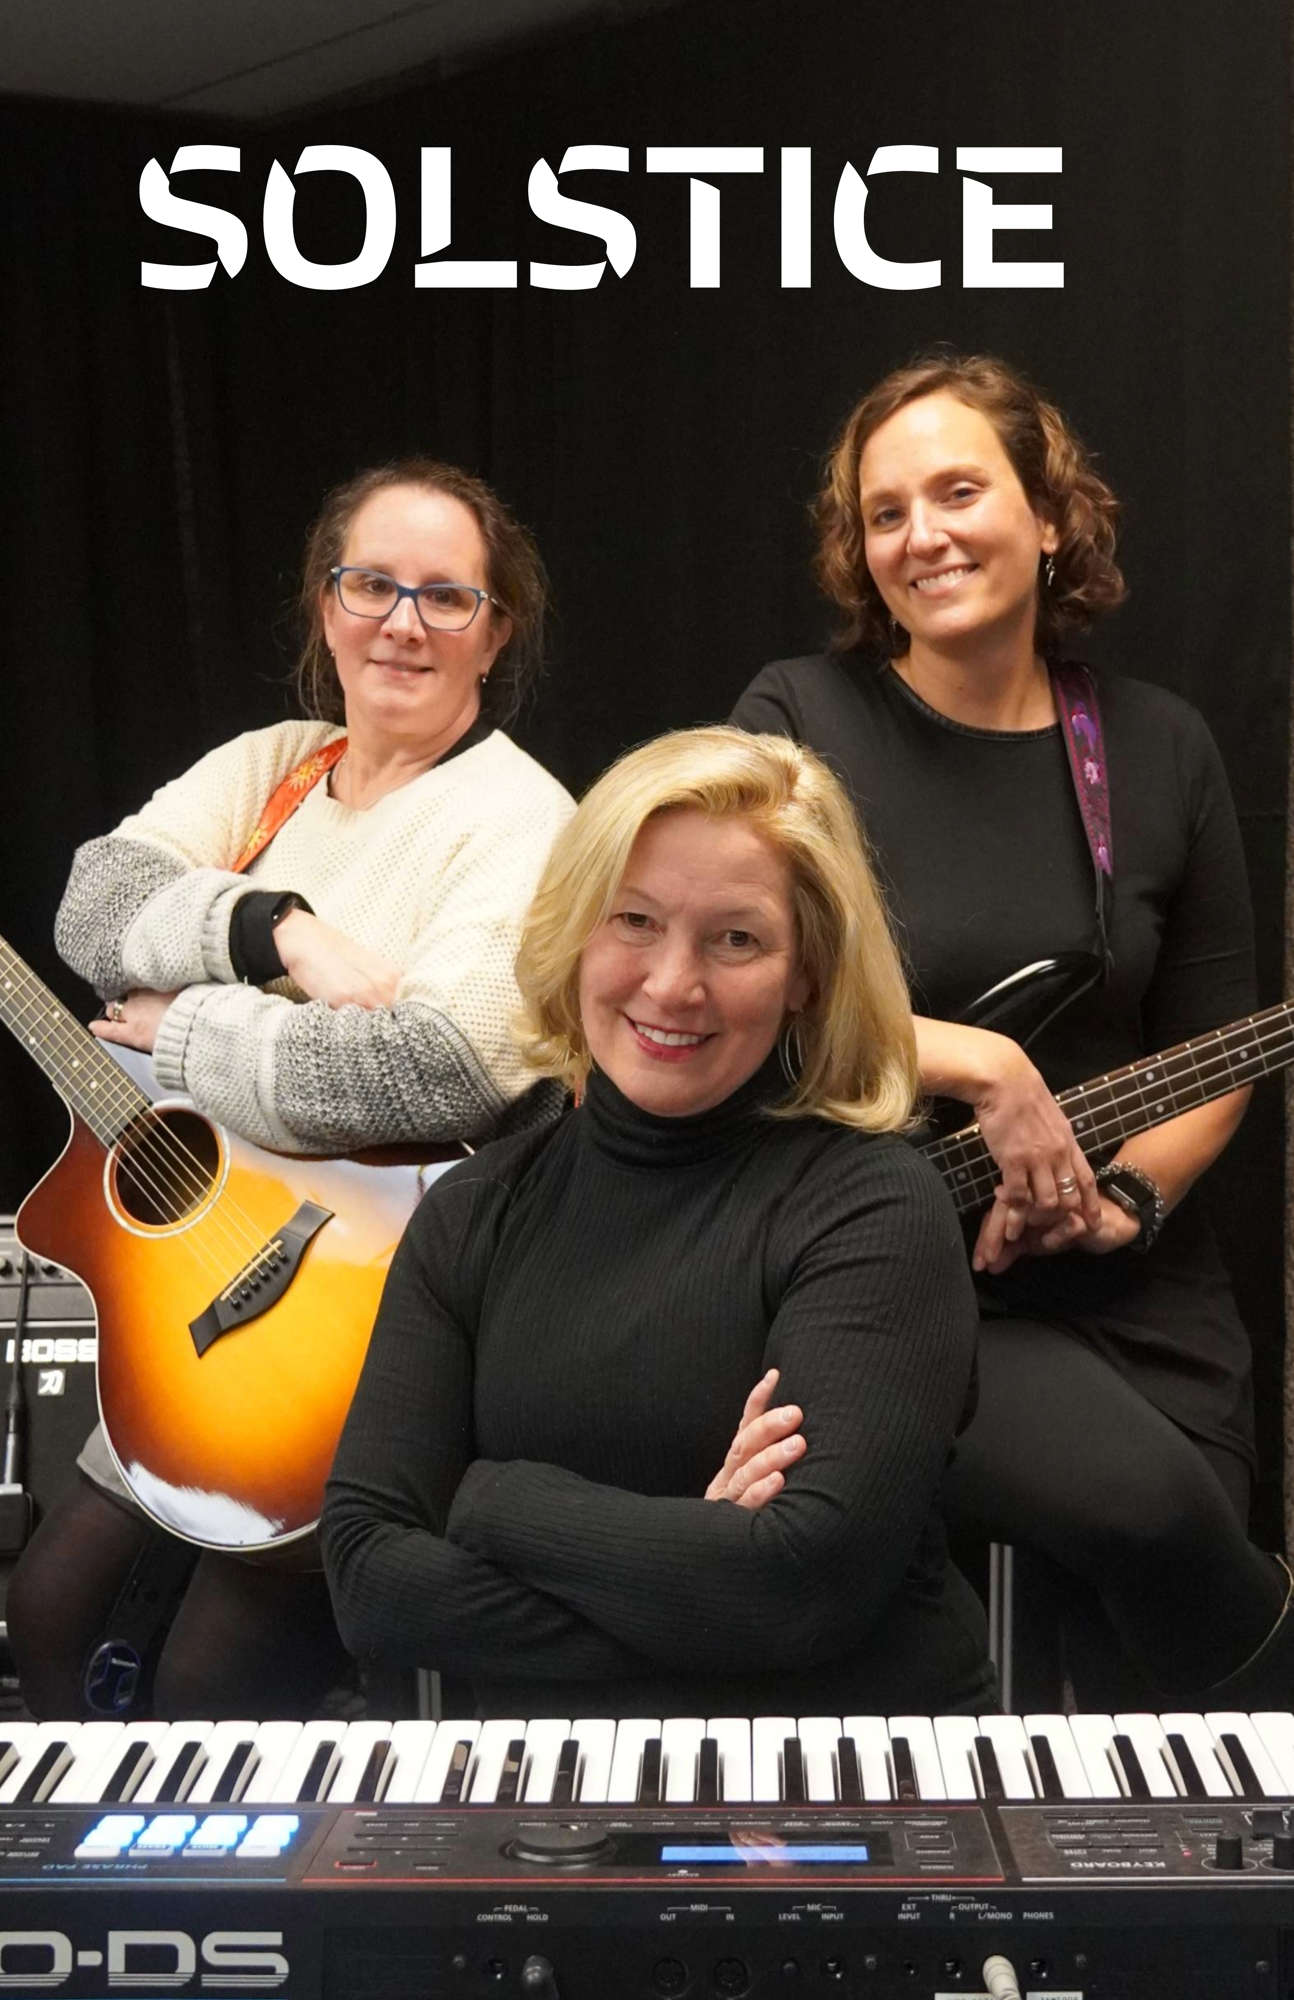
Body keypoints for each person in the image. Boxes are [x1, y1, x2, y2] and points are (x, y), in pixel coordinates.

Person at [731, 351, 1293, 1707]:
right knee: (1151, 1515)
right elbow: (735, 989)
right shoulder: (797, 723)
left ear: (1049, 516)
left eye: (956, 491)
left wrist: (1123, 1206)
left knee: (1135, 1662)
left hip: (1127, 1288)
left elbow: (1212, 1045)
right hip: (882, 1274)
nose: (918, 536)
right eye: (882, 513)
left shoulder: (1156, 748)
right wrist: (983, 1064)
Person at [9, 457, 575, 1721]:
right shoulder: (274, 765)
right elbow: (93, 909)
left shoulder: (521, 820)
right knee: (47, 1607)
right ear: (326, 606)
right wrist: (279, 933)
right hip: (216, 1291)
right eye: (371, 584)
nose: (402, 622)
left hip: (382, 1320)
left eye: (445, 595)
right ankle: (99, 1911)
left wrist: (188, 1025)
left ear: (497, 628)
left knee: (209, 1679)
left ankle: (235, 1913)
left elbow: (444, 1066)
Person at [323, 726, 994, 1721]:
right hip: (549, 1789)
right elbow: (370, 1578)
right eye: (632, 919)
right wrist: (698, 1574)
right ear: (575, 931)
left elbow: (798, 1587)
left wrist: (492, 1497)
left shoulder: (875, 1205)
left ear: (805, 970)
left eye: (736, 938)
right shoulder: (471, 1209)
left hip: (837, 1768)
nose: (673, 984)